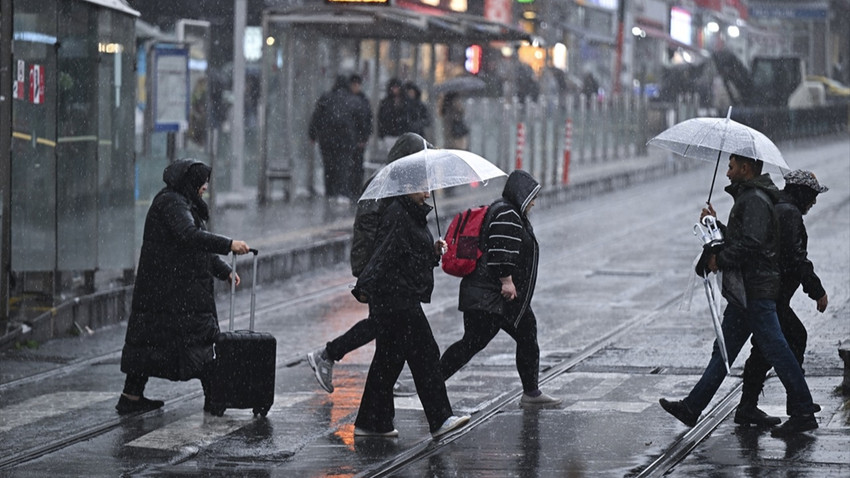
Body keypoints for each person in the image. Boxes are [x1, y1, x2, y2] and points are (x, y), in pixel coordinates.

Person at [659, 154, 820, 437]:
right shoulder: (749, 197)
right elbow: (741, 238)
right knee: (723, 350)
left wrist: (719, 260)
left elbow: (752, 245)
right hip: (745, 292)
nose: (727, 173)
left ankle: (804, 410)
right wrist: (714, 225)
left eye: (731, 167)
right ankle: (692, 407)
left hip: (756, 290)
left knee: (778, 350)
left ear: (746, 168)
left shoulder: (755, 199)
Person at [117, 159, 251, 415]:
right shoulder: (172, 203)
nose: (205, 188)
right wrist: (228, 244)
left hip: (165, 290)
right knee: (196, 343)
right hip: (173, 293)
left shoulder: (180, 202)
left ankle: (131, 397)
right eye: (202, 183)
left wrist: (223, 270)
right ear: (190, 183)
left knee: (149, 344)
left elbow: (194, 247)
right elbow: (190, 238)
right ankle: (215, 399)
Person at [307, 133, 433, 394]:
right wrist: (367, 270)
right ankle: (329, 354)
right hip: (381, 269)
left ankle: (379, 375)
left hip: (386, 268)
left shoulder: (397, 183)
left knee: (386, 326)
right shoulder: (385, 184)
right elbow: (370, 230)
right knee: (384, 324)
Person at [350, 165, 469, 439]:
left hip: (400, 295)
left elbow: (409, 254)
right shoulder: (398, 214)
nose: (428, 191)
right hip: (397, 298)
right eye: (422, 185)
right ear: (407, 188)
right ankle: (440, 418)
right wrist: (364, 286)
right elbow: (385, 254)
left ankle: (371, 421)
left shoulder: (412, 213)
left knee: (388, 360)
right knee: (426, 354)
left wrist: (432, 251)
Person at [439, 170, 562, 408]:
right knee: (477, 342)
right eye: (532, 196)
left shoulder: (506, 210)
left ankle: (531, 392)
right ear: (521, 194)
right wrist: (506, 280)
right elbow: (500, 251)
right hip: (492, 296)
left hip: (492, 296)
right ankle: (432, 382)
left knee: (514, 335)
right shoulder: (508, 214)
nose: (534, 202)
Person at [734, 170, 829, 427]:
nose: (814, 202)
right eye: (812, 195)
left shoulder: (780, 206)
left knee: (766, 348)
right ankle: (798, 409)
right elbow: (795, 258)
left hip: (768, 293)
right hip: (771, 295)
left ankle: (750, 406)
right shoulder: (789, 213)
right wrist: (816, 290)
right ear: (800, 192)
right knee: (792, 338)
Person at [309, 75, 360, 204]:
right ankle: (342, 193)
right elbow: (360, 120)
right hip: (345, 140)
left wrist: (312, 135)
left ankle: (330, 192)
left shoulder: (325, 98)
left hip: (326, 139)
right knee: (343, 166)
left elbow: (316, 117)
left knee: (329, 166)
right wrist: (360, 137)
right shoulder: (352, 100)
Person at [348, 74, 373, 201]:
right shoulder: (359, 100)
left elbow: (367, 120)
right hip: (350, 138)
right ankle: (352, 189)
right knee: (352, 165)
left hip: (358, 139)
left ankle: (356, 189)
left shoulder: (362, 100)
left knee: (357, 165)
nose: (355, 87)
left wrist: (364, 137)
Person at [377, 78, 412, 160]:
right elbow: (381, 118)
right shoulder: (385, 102)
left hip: (402, 134)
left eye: (397, 87)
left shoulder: (406, 102)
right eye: (393, 87)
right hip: (389, 134)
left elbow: (409, 117)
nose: (395, 90)